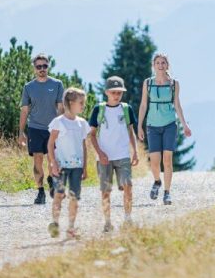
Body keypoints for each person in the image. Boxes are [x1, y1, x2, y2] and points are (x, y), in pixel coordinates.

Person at [138, 53, 191, 206]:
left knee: (167, 160)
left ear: (167, 66)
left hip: (169, 124)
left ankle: (167, 193)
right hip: (152, 125)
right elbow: (143, 105)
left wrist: (184, 125)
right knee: (154, 162)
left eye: (163, 63)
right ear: (153, 66)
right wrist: (140, 125)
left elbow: (177, 105)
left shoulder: (174, 84)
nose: (160, 65)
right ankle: (157, 181)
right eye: (158, 63)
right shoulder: (148, 83)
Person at [89, 76, 139, 233]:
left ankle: (128, 219)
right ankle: (108, 222)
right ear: (106, 92)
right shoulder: (98, 109)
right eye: (113, 92)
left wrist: (135, 151)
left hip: (123, 155)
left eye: (119, 92)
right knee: (106, 190)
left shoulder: (126, 109)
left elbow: (131, 131)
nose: (117, 95)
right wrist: (100, 153)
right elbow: (92, 134)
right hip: (104, 158)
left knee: (128, 186)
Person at [18, 54, 64, 204]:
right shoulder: (29, 87)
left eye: (44, 66)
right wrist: (21, 132)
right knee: (37, 160)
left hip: (53, 129)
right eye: (39, 66)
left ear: (48, 67)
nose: (42, 69)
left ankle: (51, 179)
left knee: (53, 160)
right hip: (35, 128)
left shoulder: (57, 84)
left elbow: (61, 108)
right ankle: (40, 192)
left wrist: (62, 128)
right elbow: (24, 110)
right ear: (34, 69)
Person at [46, 87, 89, 239]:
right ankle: (55, 223)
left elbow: (84, 146)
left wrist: (85, 167)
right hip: (61, 167)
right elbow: (50, 144)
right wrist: (53, 163)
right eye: (81, 103)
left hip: (77, 167)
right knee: (59, 194)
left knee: (74, 197)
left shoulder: (82, 123)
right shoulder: (58, 122)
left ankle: (71, 228)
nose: (83, 106)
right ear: (70, 103)